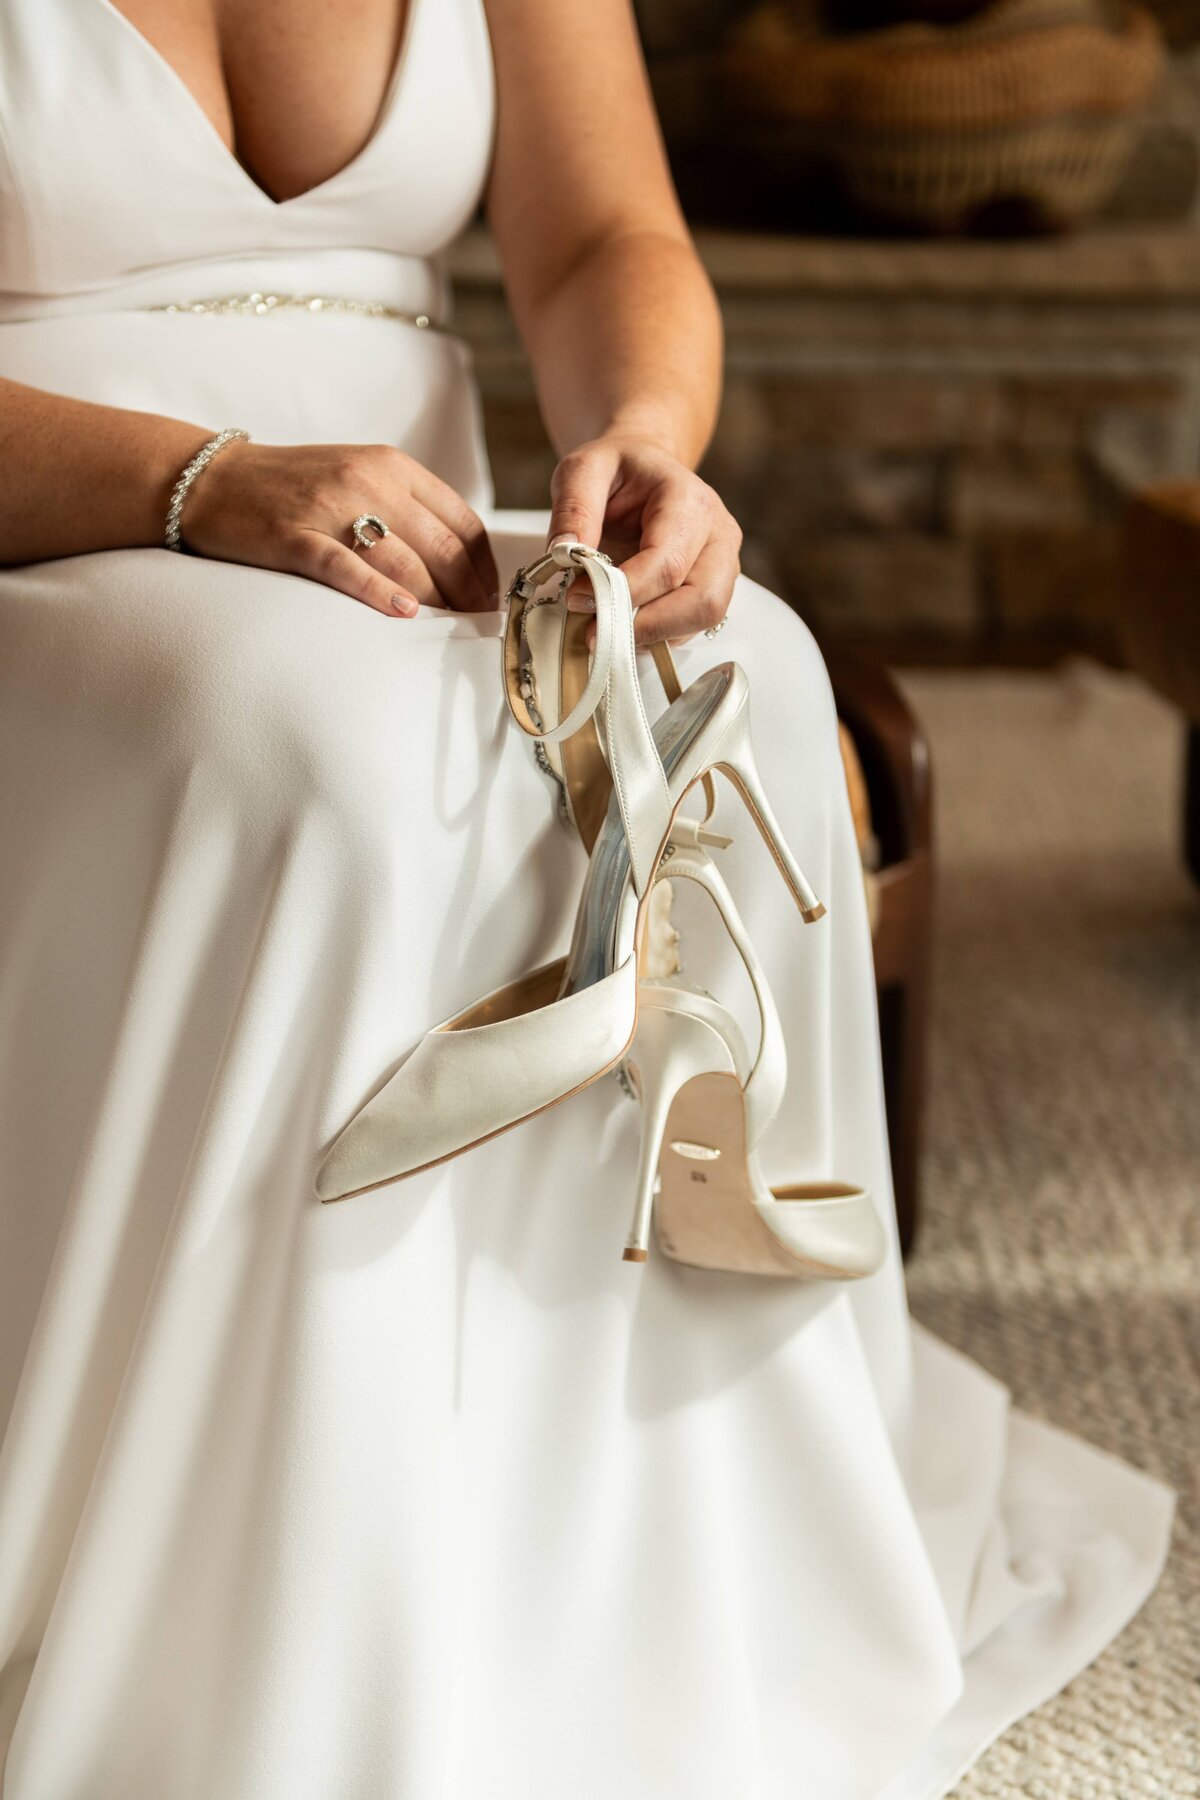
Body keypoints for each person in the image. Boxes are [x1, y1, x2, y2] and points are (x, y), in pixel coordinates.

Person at [0, 2, 1171, 1795]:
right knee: (319, 760)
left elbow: (606, 235)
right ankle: (286, 1613)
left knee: (748, 678)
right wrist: (200, 481)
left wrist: (646, 441)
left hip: (414, 525)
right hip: (68, 525)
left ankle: (653, 1577)